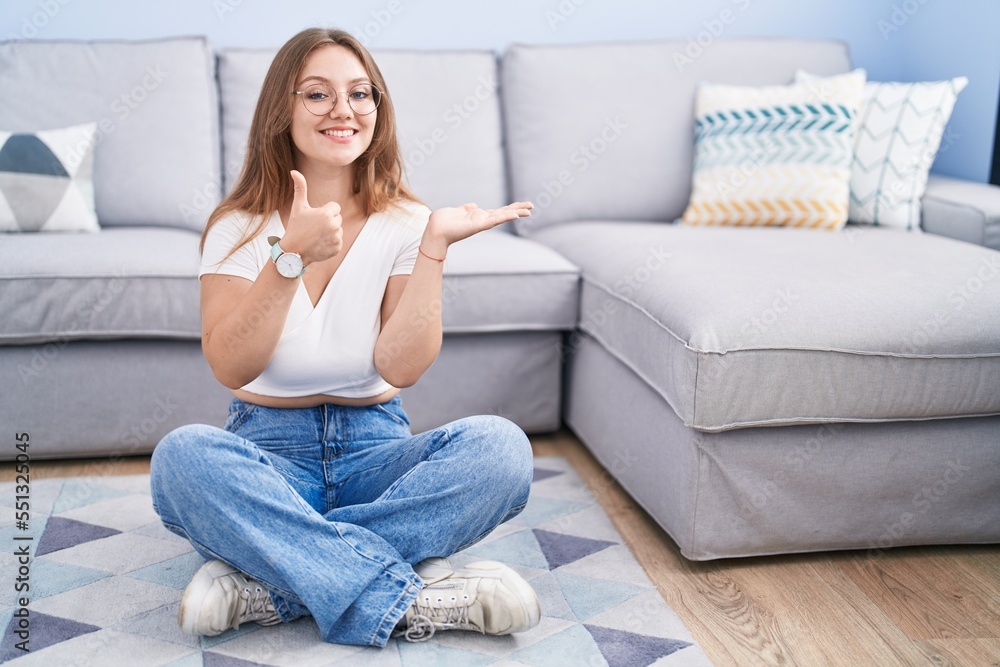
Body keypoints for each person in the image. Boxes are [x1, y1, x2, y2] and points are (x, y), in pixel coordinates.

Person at [149, 27, 540, 648]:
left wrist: (434, 249)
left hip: (376, 450)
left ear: (378, 112)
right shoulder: (238, 227)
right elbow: (230, 364)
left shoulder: (411, 222)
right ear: (283, 110)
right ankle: (408, 591)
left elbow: (400, 365)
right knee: (181, 460)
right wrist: (289, 260)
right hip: (266, 454)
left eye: (361, 94)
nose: (344, 110)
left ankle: (279, 581)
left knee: (502, 450)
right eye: (317, 94)